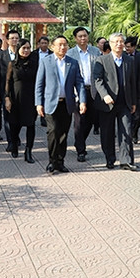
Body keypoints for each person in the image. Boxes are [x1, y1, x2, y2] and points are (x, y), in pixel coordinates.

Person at [35, 35, 86, 174]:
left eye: (65, 45)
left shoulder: (73, 63)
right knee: (52, 131)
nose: (63, 47)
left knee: (63, 133)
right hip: (51, 104)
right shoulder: (46, 61)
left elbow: (79, 83)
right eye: (59, 45)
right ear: (53, 47)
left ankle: (60, 161)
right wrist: (39, 103)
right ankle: (52, 161)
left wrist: (82, 101)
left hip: (67, 104)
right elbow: (39, 85)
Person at [92, 33, 138, 170]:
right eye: (116, 42)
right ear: (110, 44)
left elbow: (132, 82)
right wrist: (105, 95)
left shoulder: (129, 60)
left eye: (121, 41)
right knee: (107, 132)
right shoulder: (101, 60)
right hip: (108, 103)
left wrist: (134, 102)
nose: (119, 44)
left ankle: (126, 160)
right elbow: (98, 80)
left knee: (127, 131)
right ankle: (110, 158)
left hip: (125, 102)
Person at [67, 26, 101, 162]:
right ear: (75, 38)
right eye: (80, 36)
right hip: (77, 91)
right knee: (79, 121)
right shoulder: (70, 54)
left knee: (92, 120)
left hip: (93, 91)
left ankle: (79, 141)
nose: (83, 38)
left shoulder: (95, 51)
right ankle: (81, 150)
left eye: (85, 35)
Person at [5, 39, 39, 163]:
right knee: (14, 125)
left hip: (31, 98)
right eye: (23, 48)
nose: (26, 50)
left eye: (28, 48)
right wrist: (7, 98)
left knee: (31, 125)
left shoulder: (35, 63)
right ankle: (14, 145)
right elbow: (8, 82)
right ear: (18, 49)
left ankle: (28, 151)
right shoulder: (12, 64)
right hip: (16, 99)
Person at [1, 29, 20, 151]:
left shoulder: (23, 53)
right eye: (12, 38)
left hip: (20, 92)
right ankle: (10, 142)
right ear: (7, 40)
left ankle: (15, 137)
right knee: (7, 118)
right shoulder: (1, 55)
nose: (14, 40)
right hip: (6, 92)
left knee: (18, 117)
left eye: (16, 38)